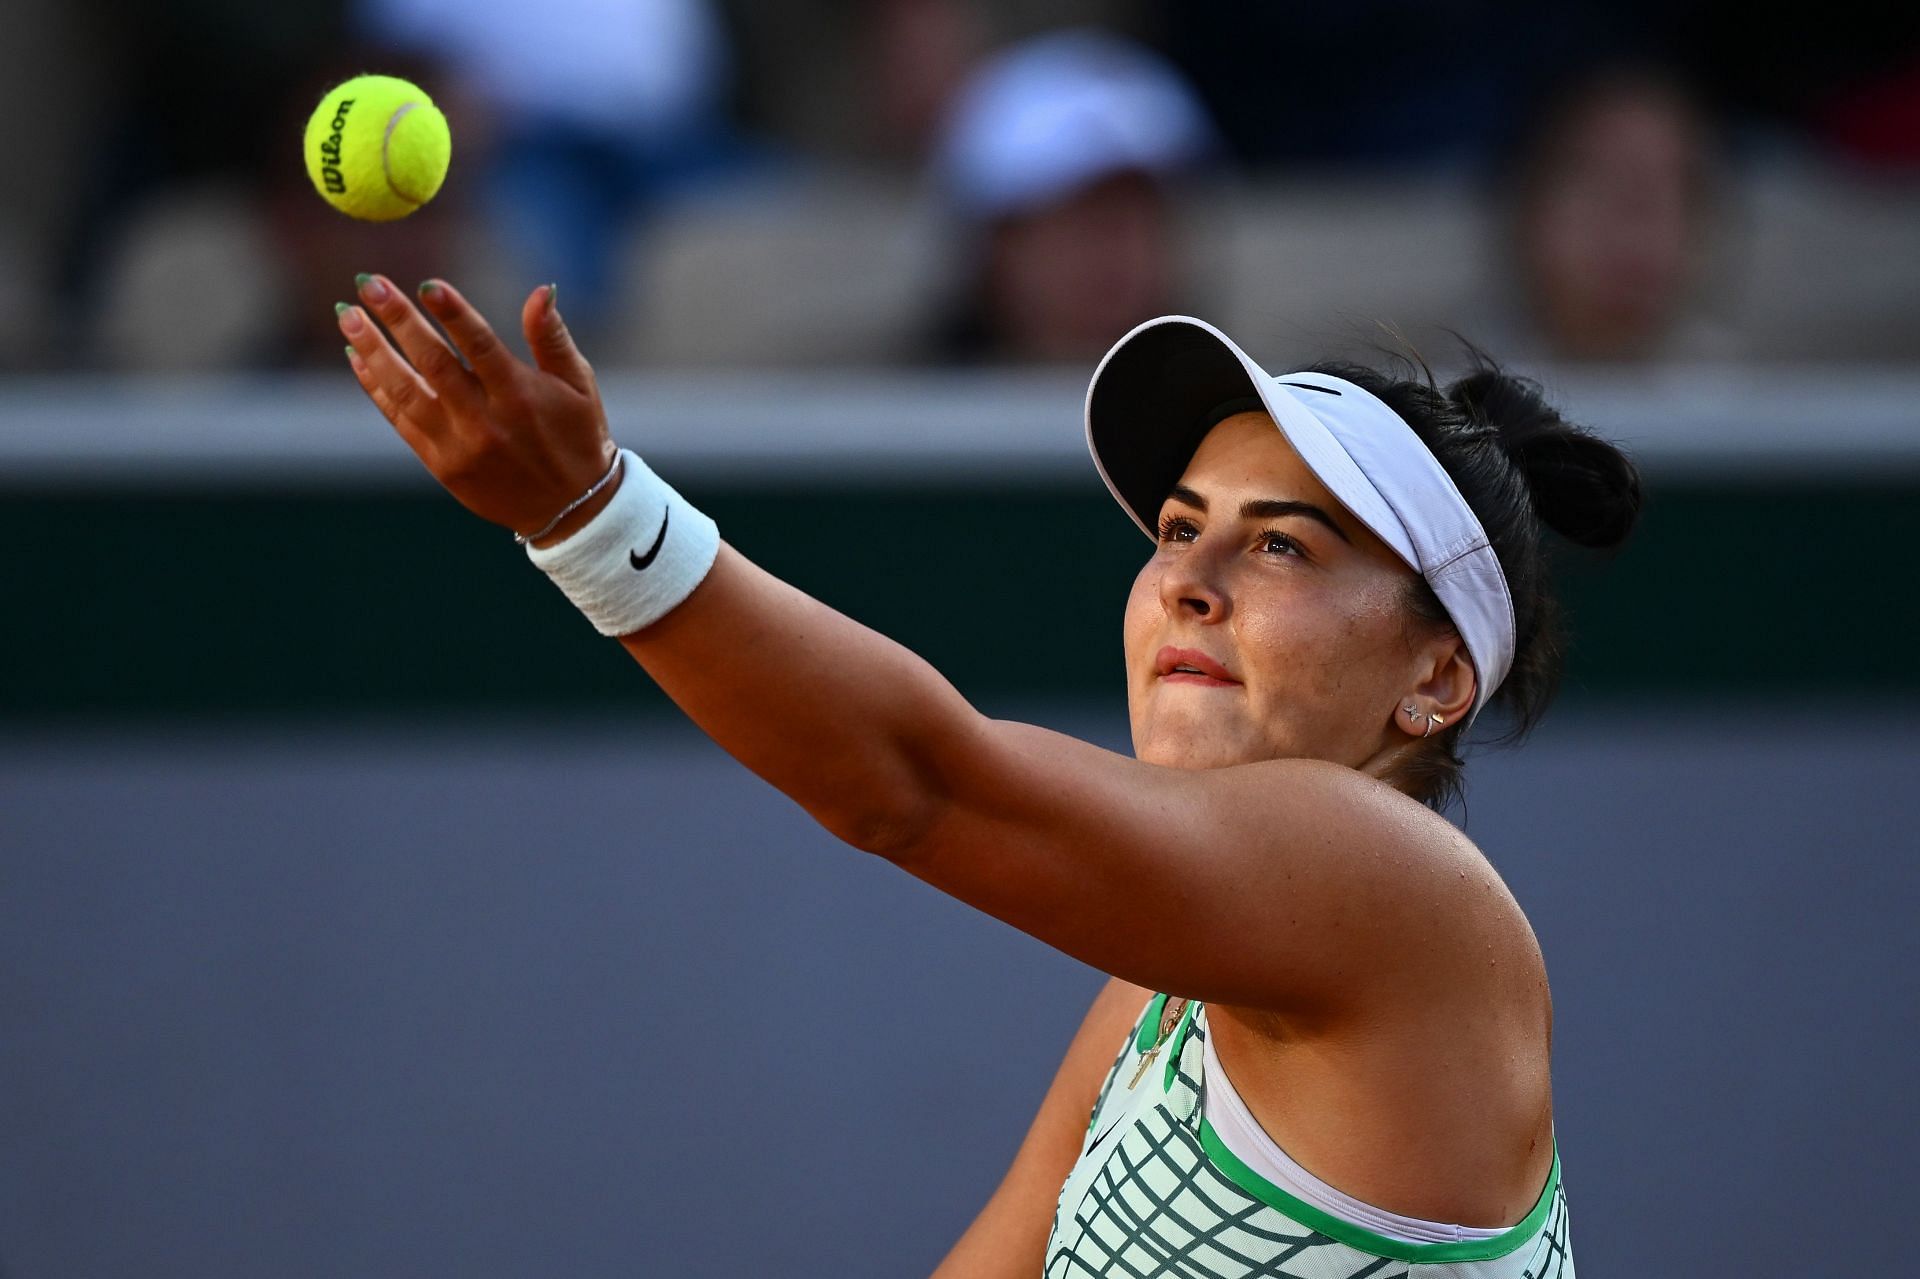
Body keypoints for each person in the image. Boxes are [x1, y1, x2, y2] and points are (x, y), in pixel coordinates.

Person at [335, 273, 1639, 1274]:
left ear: (1436, 682)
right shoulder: (1159, 994)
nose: (1187, 578)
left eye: (1283, 547)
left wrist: (591, 519)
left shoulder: (1407, 900)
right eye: (1181, 530)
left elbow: (915, 785)